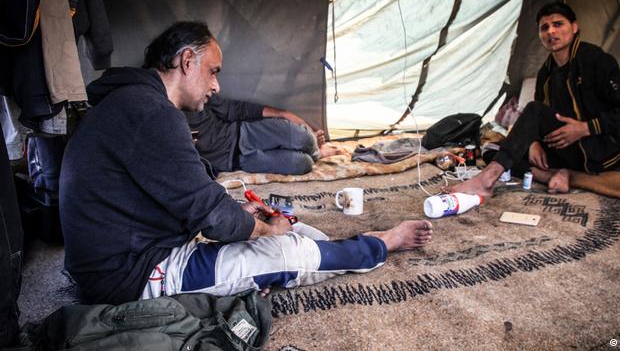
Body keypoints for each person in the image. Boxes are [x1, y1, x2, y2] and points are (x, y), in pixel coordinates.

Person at [59, 21, 433, 305]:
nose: (216, 85)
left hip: (135, 249)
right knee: (286, 250)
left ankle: (328, 247)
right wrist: (263, 232)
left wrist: (243, 213)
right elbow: (211, 215)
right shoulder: (150, 113)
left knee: (289, 227)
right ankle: (383, 243)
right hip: (128, 277)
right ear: (187, 61)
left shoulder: (135, 104)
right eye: (213, 71)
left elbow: (186, 194)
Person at [448, 2, 620, 196]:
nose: (551, 31)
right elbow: (542, 118)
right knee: (494, 151)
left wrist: (585, 128)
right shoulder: (546, 71)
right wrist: (533, 142)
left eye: (558, 24)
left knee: (531, 113)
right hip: (565, 147)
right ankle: (555, 175)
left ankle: (486, 180)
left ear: (574, 27)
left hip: (598, 149)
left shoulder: (595, 60)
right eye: (544, 27)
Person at [184, 94, 343, 176]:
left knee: (305, 137)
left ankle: (315, 148)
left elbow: (234, 109)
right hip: (238, 161)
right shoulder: (167, 118)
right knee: (303, 163)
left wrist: (282, 113)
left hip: (244, 132)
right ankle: (317, 154)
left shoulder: (198, 91)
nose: (215, 86)